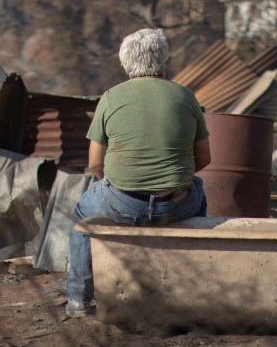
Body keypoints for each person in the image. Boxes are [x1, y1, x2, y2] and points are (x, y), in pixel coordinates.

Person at [66, 28, 211, 317]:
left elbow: (95, 163)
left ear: (124, 61)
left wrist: (122, 183)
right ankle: (194, 292)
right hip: (178, 204)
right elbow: (204, 158)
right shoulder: (186, 96)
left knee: (84, 216)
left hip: (123, 204)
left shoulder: (110, 97)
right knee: (199, 190)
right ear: (164, 60)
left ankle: (78, 301)